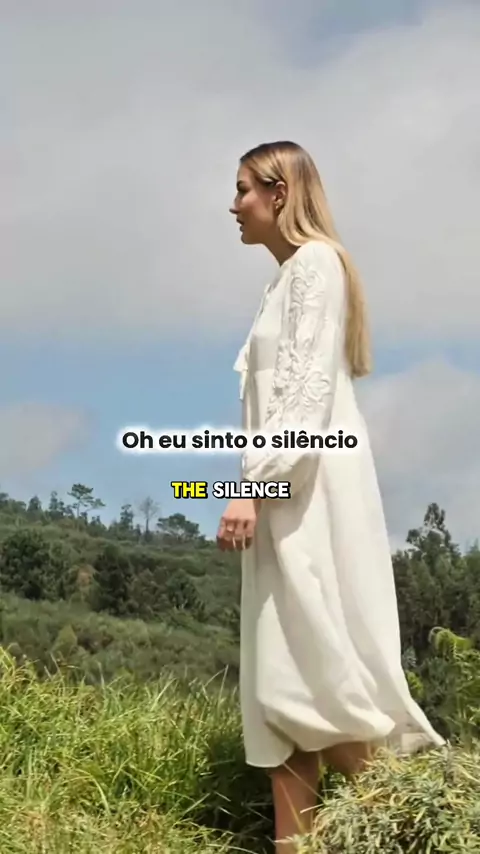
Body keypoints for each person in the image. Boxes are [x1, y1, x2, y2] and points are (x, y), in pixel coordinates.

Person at [216, 140, 444, 853]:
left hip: (303, 496)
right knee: (281, 685)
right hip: (282, 496)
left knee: (305, 678)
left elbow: (305, 398)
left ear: (279, 192)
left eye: (244, 189)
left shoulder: (317, 266)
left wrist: (251, 488)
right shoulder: (283, 281)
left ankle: (428, 823)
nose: (233, 205)